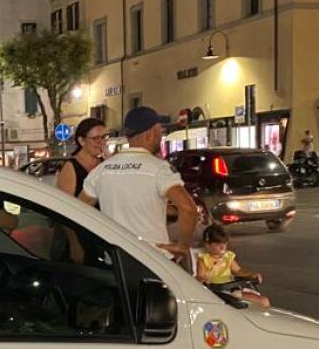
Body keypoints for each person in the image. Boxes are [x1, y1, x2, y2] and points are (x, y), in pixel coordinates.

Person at [79, 106, 199, 263]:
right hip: (154, 260)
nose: (161, 136)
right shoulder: (159, 169)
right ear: (149, 134)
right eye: (160, 131)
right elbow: (188, 209)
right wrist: (183, 245)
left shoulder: (101, 170)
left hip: (116, 261)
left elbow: (80, 209)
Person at [53, 117, 107, 263]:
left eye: (104, 137)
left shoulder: (105, 165)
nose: (101, 142)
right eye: (96, 138)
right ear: (82, 141)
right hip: (81, 236)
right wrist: (74, 244)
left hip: (104, 235)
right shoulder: (71, 168)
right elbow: (65, 210)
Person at [196, 224, 270, 308]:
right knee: (259, 301)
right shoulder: (204, 259)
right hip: (218, 292)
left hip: (231, 289)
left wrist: (251, 274)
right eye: (218, 244)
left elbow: (238, 271)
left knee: (264, 301)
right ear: (207, 245)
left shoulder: (228, 257)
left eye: (224, 243)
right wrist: (204, 279)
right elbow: (200, 276)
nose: (222, 247)